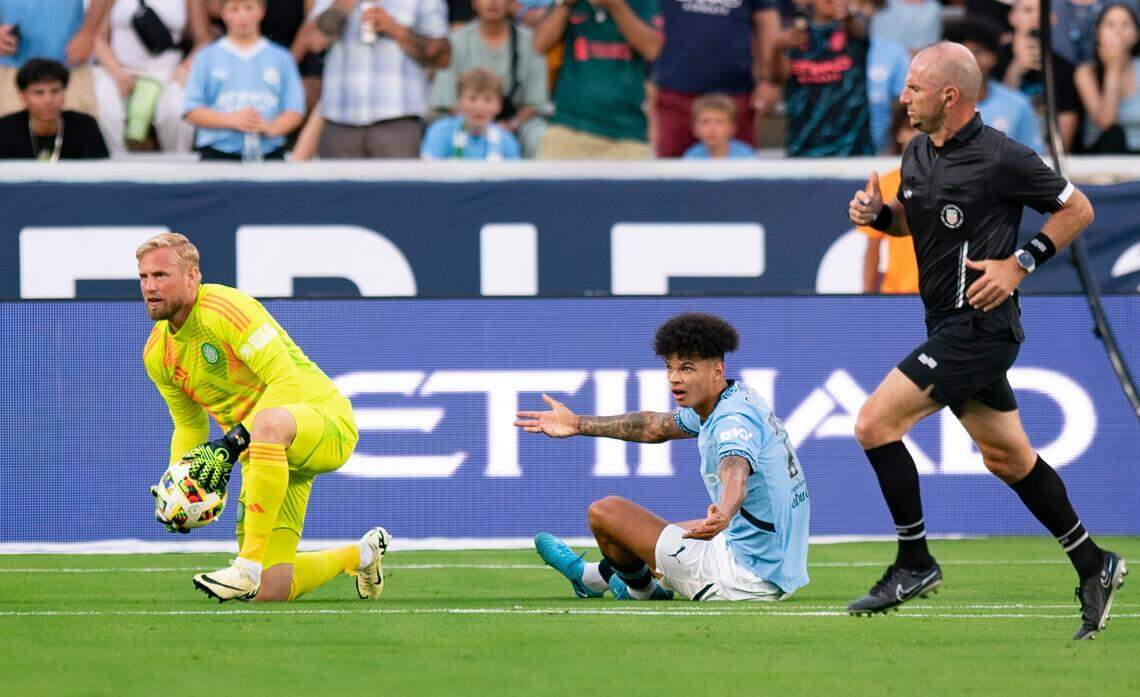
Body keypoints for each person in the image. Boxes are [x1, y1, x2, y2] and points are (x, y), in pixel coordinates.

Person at [846, 41, 1126, 640]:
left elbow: (1077, 209)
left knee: (873, 424)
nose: (903, 97)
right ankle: (1094, 563)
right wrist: (877, 216)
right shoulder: (917, 150)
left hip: (981, 327)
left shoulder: (1002, 157)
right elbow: (909, 220)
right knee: (1007, 458)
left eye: (914, 88)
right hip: (945, 325)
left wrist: (1020, 262)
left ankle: (914, 562)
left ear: (950, 95)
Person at [138, 232, 390, 602]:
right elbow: (189, 424)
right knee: (269, 591)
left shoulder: (225, 309)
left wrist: (232, 441)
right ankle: (364, 554)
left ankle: (246, 567)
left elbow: (285, 380)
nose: (149, 287)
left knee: (270, 422)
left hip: (323, 422)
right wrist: (181, 482)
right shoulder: (158, 353)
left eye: (160, 275)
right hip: (266, 454)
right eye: (143, 277)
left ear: (192, 277)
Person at [515, 313, 810, 602]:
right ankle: (593, 578)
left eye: (687, 368)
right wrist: (578, 423)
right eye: (670, 367)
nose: (674, 379)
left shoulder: (731, 420)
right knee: (666, 529)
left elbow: (735, 467)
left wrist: (725, 510)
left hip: (742, 577)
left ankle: (641, 590)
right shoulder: (735, 398)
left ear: (716, 371)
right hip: (776, 561)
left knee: (606, 513)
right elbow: (655, 427)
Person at [311, 0, 449, 158]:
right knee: (337, 183)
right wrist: (343, 5)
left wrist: (394, 29)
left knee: (399, 184)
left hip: (398, 120)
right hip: (339, 120)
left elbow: (443, 58)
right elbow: (315, 42)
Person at [533, 0, 662, 159]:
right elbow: (540, 45)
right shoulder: (570, 4)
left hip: (628, 132)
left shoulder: (643, 3)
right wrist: (565, 5)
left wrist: (616, 5)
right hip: (569, 126)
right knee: (548, 179)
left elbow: (652, 49)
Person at [650, 0, 779, 158]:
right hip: (676, 91)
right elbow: (647, 12)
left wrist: (768, 79)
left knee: (740, 174)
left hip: (735, 91)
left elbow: (766, 19)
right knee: (670, 172)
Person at [183, 0, 305, 160]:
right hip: (217, 153)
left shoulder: (282, 58)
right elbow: (191, 110)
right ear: (223, 13)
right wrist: (230, 120)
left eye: (248, 8)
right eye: (234, 9)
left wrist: (270, 127)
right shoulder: (205, 57)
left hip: (269, 153)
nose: (242, 15)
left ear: (261, 10)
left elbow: (295, 110)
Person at [429, 0, 548, 157]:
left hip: (516, 121)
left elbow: (534, 103)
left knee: (539, 136)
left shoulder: (531, 41)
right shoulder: (456, 40)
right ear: (473, 3)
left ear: (511, 3)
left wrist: (509, 126)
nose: (492, 2)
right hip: (465, 119)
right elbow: (446, 100)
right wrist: (477, 121)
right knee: (440, 128)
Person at [93, 0, 211, 155]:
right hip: (118, 71)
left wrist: (186, 67)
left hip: (168, 74)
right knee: (105, 106)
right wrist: (118, 74)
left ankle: (178, 166)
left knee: (176, 110)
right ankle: (113, 165)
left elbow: (204, 40)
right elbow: (97, 38)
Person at [784, 0, 874, 157]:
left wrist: (847, 17)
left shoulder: (853, 25)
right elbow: (777, 78)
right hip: (804, 144)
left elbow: (859, 31)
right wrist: (776, 47)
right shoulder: (795, 29)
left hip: (852, 145)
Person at [944, 16, 1045, 154]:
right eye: (960, 53)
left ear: (994, 57)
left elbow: (1035, 157)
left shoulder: (1017, 105)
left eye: (977, 52)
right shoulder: (933, 103)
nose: (968, 60)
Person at [0, 0, 114, 117]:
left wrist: (88, 33)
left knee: (77, 130)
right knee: (8, 131)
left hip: (70, 66)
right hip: (11, 67)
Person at [995, 0, 1080, 152]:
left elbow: (1063, 141)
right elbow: (994, 116)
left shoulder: (1065, 68)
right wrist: (1015, 70)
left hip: (1043, 158)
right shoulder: (995, 59)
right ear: (1012, 17)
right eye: (1028, 10)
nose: (1036, 17)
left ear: (1053, 19)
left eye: (1042, 11)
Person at [0, 58, 108, 159]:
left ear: (64, 93)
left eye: (55, 91)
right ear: (23, 97)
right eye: (39, 93)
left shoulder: (85, 126)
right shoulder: (4, 129)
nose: (48, 100)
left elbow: (100, 173)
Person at [1074, 2, 1140, 152]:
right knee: (1115, 133)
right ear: (1098, 33)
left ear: (1137, 34)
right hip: (1103, 156)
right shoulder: (1085, 72)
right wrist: (1113, 69)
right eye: (1110, 24)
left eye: (1125, 24)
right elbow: (1107, 123)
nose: (1118, 31)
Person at [421, 67, 521, 159]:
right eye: (472, 98)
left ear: (499, 106)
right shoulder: (440, 132)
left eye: (488, 99)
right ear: (459, 102)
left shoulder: (507, 142)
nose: (479, 107)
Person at [682, 93, 755, 159]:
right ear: (695, 128)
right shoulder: (691, 156)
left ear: (732, 128)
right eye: (705, 122)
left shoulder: (745, 156)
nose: (712, 128)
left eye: (720, 122)